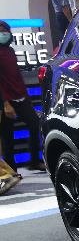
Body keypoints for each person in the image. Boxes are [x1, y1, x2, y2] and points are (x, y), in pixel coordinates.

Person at [0, 21, 46, 172]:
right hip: (6, 101)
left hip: (21, 97)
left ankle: (34, 161)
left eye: (5, 30)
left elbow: (17, 76)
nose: (3, 33)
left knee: (34, 124)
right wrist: (5, 103)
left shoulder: (10, 51)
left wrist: (26, 96)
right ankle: (12, 171)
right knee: (8, 137)